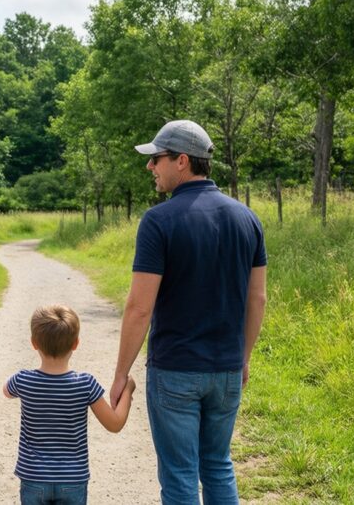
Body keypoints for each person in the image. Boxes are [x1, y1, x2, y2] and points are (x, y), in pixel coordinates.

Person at [110, 120, 268, 505]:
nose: (151, 167)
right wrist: (242, 358)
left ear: (182, 161)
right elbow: (257, 299)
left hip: (176, 371)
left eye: (157, 159)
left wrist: (120, 374)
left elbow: (138, 308)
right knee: (218, 466)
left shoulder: (159, 220)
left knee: (180, 476)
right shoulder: (247, 219)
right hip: (227, 370)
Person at [4, 304, 137, 505]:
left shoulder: (23, 380)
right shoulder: (85, 384)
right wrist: (127, 390)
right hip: (73, 479)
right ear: (76, 343)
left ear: (34, 343)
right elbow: (115, 424)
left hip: (34, 477)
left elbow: (6, 391)